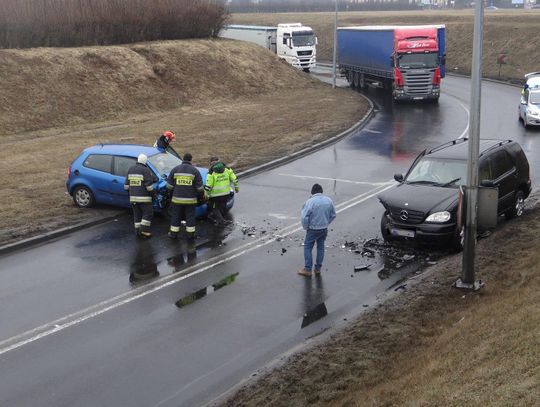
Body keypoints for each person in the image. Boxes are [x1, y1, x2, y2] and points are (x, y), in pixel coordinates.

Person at [298, 183, 336, 277]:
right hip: (323, 229)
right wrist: (326, 223)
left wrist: (306, 227)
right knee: (320, 247)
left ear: (312, 192)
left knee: (307, 247)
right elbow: (333, 215)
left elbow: (304, 217)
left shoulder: (310, 202)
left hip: (313, 229)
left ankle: (308, 269)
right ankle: (318, 269)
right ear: (321, 191)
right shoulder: (328, 200)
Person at [167, 152, 204, 240]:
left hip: (176, 200)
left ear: (183, 159)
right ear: (191, 160)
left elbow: (169, 186)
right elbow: (200, 189)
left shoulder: (175, 169)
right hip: (190, 201)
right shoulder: (195, 171)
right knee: (190, 217)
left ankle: (173, 234)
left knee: (176, 216)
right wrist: (200, 196)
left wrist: (170, 194)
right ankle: (190, 235)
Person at [124, 154, 158, 238]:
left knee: (137, 215)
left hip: (133, 198)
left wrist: (132, 193)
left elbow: (126, 186)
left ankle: (137, 232)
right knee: (148, 213)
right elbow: (149, 187)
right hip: (144, 199)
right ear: (145, 161)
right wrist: (154, 193)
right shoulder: (145, 170)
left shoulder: (130, 169)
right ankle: (143, 230)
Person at [204, 156, 239, 226]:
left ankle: (221, 221)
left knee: (214, 208)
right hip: (226, 193)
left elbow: (208, 186)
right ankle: (219, 219)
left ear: (211, 163)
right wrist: (236, 187)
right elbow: (234, 179)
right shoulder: (227, 169)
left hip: (215, 195)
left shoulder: (211, 172)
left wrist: (206, 195)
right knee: (222, 206)